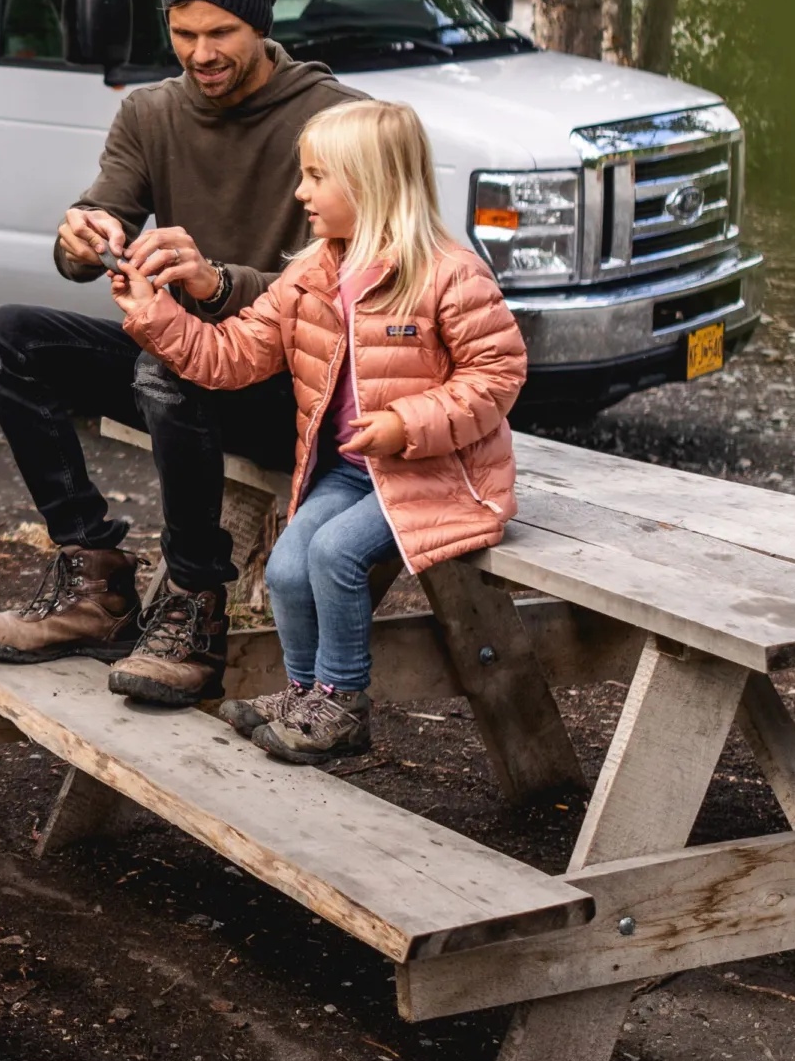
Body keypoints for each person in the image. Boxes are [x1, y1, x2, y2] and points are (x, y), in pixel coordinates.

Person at [0, 0, 360, 704]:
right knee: (1, 336)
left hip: (297, 391)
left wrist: (216, 284)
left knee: (164, 363)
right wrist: (83, 233)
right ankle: (95, 580)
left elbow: (352, 286)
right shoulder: (151, 112)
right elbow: (93, 225)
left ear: (261, 26)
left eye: (220, 34)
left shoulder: (337, 119)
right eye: (182, 32)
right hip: (182, 366)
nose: (199, 52)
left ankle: (196, 606)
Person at [110, 101, 527, 764]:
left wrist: (404, 423)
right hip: (354, 470)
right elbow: (233, 354)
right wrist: (155, 313)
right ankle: (303, 690)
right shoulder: (312, 274)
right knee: (284, 566)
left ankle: (342, 702)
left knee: (334, 553)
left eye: (315, 176)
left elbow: (498, 374)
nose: (300, 191)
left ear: (370, 182)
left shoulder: (447, 272)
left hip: (442, 473)